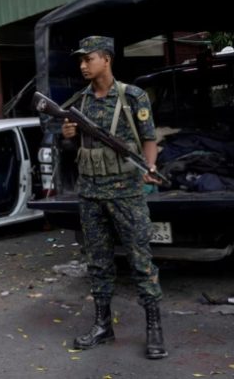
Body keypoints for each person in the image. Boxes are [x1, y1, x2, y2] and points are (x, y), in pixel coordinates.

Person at [61, 36, 167, 359]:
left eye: (88, 59)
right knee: (98, 261)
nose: (82, 65)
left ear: (106, 59)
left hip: (126, 193)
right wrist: (68, 137)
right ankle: (103, 324)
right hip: (91, 193)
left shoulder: (133, 97)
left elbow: (149, 138)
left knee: (140, 259)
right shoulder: (79, 102)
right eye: (80, 60)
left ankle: (154, 328)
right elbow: (71, 149)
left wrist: (149, 166)